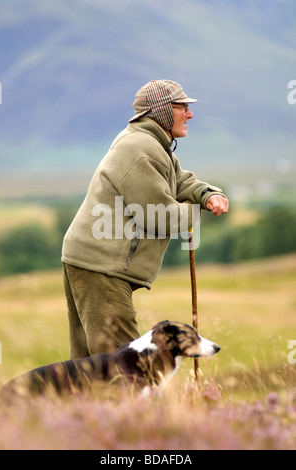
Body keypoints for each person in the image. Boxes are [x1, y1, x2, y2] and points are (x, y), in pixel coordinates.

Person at [61, 79, 229, 359]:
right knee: (125, 368)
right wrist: (197, 210)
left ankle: (80, 405)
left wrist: (205, 193)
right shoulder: (141, 148)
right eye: (182, 107)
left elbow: (177, 180)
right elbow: (162, 217)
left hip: (91, 262)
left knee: (90, 367)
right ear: (161, 110)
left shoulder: (151, 143)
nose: (190, 114)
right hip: (103, 267)